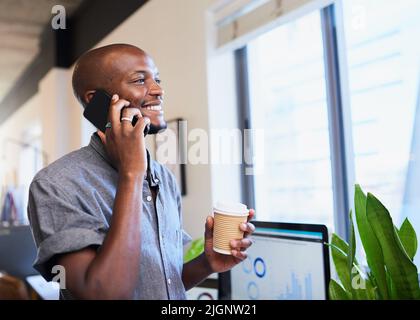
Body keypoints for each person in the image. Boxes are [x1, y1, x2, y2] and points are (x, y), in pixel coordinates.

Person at [27, 43, 255, 300]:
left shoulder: (163, 177)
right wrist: (131, 175)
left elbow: (162, 280)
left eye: (156, 79)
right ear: (96, 100)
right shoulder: (57, 184)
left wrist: (207, 263)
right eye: (139, 80)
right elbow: (103, 294)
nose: (158, 90)